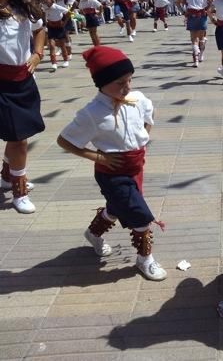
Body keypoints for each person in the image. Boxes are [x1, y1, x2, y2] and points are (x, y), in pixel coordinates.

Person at [56, 46, 167, 281]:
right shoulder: (92, 113)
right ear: (101, 84)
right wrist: (98, 157)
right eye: (119, 83)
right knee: (139, 214)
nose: (127, 87)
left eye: (129, 80)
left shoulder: (136, 98)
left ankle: (93, 233)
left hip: (136, 166)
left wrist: (144, 137)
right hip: (112, 171)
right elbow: (64, 141)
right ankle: (144, 259)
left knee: (118, 208)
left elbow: (149, 113)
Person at [0, 0, 45, 214]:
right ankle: (18, 189)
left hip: (22, 81)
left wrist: (38, 54)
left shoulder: (23, 11)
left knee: (18, 135)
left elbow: (40, 31)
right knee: (17, 138)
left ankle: (10, 178)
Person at [180, 0, 213, 67]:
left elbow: (177, 2)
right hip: (202, 15)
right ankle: (201, 54)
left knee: (194, 40)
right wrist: (207, 9)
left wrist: (183, 12)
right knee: (201, 38)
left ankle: (196, 61)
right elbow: (212, 0)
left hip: (191, 15)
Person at [42, 0, 70, 71]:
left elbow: (68, 12)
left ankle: (65, 60)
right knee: (51, 45)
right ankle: (54, 63)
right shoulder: (44, 7)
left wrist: (64, 22)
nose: (45, 0)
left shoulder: (57, 7)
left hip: (59, 26)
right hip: (51, 26)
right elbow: (44, 13)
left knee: (62, 44)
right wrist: (45, 21)